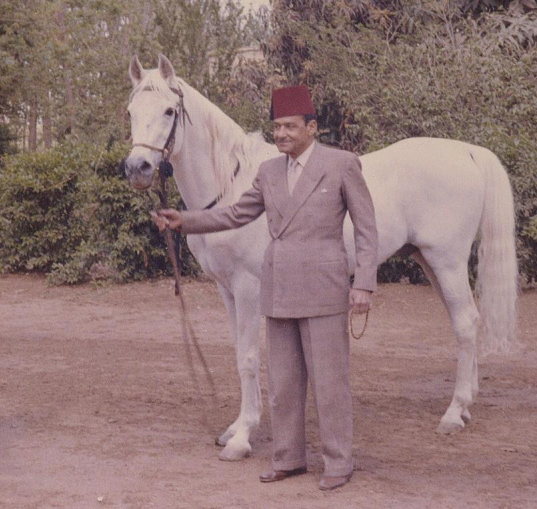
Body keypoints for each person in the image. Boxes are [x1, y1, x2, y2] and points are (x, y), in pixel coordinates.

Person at [152, 85, 378, 491]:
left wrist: (363, 283)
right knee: (284, 381)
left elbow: (366, 229)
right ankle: (289, 458)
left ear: (312, 127)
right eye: (276, 127)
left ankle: (338, 462)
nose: (282, 134)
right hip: (279, 284)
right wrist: (184, 220)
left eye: (291, 126)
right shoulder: (269, 171)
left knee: (330, 381)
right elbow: (237, 213)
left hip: (325, 287)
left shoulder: (342, 164)